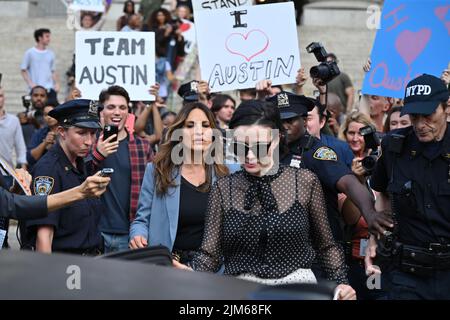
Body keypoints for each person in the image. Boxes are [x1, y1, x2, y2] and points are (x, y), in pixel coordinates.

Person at [173, 100, 356, 300]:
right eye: (240, 147)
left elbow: (326, 246)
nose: (250, 156)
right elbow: (211, 253)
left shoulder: (304, 182)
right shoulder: (224, 188)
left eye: (259, 147)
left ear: (276, 140)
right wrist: (192, 272)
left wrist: (342, 284)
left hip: (298, 292)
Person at [265, 91, 392, 242]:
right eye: (279, 121)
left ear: (304, 120)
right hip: (277, 245)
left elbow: (349, 183)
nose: (284, 126)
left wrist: (370, 213)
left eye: (290, 120)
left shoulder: (317, 152)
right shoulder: (267, 150)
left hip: (317, 249)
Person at [365, 74, 450, 300]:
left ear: (447, 108)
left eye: (428, 115)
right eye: (414, 116)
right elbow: (381, 193)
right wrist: (375, 237)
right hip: (407, 273)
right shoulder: (394, 146)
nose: (420, 125)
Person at [130, 102, 237, 264]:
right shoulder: (157, 171)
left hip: (214, 270)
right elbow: (141, 220)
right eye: (190, 125)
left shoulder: (229, 172)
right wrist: (138, 235)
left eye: (205, 125)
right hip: (168, 267)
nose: (199, 131)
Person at [26, 99, 105, 255]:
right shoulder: (48, 170)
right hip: (64, 266)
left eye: (92, 133)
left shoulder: (81, 163)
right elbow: (44, 236)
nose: (89, 141)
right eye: (81, 133)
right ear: (61, 131)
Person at [90, 86, 153, 253]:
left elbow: (153, 190)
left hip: (131, 234)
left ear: (128, 112)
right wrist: (97, 153)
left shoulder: (142, 147)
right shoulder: (88, 143)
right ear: (101, 112)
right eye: (111, 107)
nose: (117, 112)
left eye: (122, 107)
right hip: (94, 231)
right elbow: (78, 179)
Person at [306, 99, 353, 168]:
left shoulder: (341, 148)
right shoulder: (288, 148)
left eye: (308, 118)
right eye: (300, 118)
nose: (303, 123)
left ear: (322, 122)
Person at [20, 29, 59, 106]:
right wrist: (31, 84)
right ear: (40, 38)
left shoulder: (51, 53)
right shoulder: (30, 53)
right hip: (36, 90)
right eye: (47, 36)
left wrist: (57, 84)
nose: (49, 39)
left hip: (49, 89)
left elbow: (53, 71)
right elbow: (23, 70)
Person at [0, 87, 28, 171]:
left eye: (0, 96)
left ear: (4, 98)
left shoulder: (13, 121)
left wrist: (24, 173)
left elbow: (21, 149)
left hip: (6, 172)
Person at [26, 104, 58, 169]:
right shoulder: (39, 133)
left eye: (52, 113)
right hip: (43, 171)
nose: (49, 117)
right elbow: (30, 158)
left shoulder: (66, 132)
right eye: (46, 114)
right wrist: (45, 143)